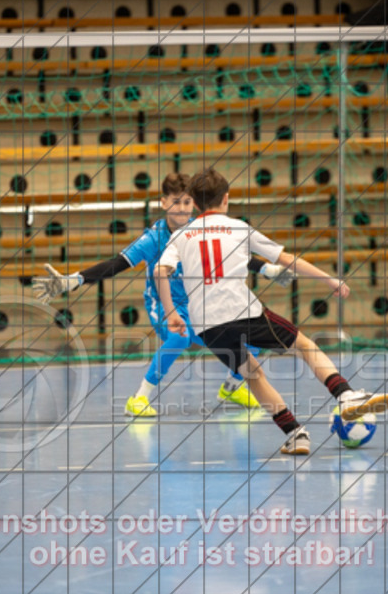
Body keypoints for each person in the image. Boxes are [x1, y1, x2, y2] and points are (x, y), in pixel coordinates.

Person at [156, 168, 388, 456]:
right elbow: (286, 259)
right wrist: (329, 280)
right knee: (304, 345)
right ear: (226, 199)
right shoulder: (238, 227)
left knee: (252, 374)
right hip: (243, 310)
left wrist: (171, 313)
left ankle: (296, 434)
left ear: (194, 203)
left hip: (207, 325)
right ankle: (346, 396)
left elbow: (161, 271)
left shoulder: (181, 234)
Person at [31, 172, 296, 418]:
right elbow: (116, 264)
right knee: (178, 337)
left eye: (187, 202)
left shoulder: (200, 230)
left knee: (256, 335)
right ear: (163, 203)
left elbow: (230, 255)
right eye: (176, 202)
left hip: (201, 304)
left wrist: (269, 269)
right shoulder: (152, 239)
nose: (182, 208)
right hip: (165, 306)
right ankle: (138, 399)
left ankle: (232, 387)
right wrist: (74, 280)